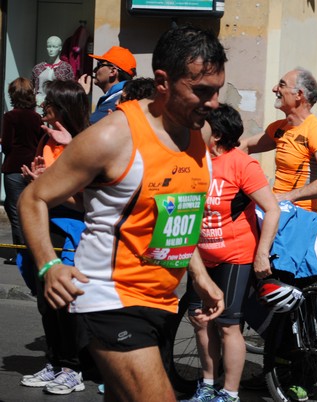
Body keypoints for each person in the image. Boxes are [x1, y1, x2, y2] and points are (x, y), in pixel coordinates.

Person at [18, 25, 227, 402]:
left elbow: (178, 214)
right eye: (202, 91)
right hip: (109, 297)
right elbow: (33, 198)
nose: (213, 102)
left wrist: (198, 276)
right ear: (162, 81)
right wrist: (49, 265)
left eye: (217, 91)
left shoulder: (201, 133)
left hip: (161, 300)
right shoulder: (112, 137)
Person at [184, 104, 280, 402]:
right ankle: (208, 386)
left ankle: (230, 393)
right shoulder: (193, 160)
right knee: (200, 320)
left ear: (217, 134)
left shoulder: (242, 165)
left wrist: (262, 253)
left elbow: (273, 210)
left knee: (227, 325)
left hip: (235, 256)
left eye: (203, 123)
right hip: (200, 257)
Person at [19, 79, 92, 395]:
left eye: (48, 106)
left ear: (63, 107)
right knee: (46, 304)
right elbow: (42, 193)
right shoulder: (46, 141)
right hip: (43, 231)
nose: (43, 112)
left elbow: (87, 202)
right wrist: (36, 183)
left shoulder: (83, 145)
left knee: (65, 305)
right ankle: (54, 362)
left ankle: (72, 368)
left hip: (71, 234)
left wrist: (48, 188)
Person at [239, 67, 317, 212]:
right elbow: (245, 147)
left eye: (282, 85)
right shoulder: (279, 128)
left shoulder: (315, 130)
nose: (275, 89)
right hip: (278, 213)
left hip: (300, 219)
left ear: (299, 94)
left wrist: (288, 196)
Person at [1, 78, 44, 268]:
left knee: (15, 210)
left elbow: (7, 145)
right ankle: (34, 249)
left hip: (13, 167)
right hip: (33, 167)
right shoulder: (37, 117)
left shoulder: (10, 117)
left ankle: (21, 252)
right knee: (33, 209)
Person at [78, 46, 137, 123]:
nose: (94, 70)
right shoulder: (125, 95)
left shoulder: (115, 101)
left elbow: (84, 130)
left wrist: (80, 97)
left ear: (113, 71)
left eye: (99, 65)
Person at [31, 36, 75, 111]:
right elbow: (32, 87)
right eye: (49, 46)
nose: (51, 50)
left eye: (54, 47)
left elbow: (70, 89)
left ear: (60, 48)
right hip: (39, 105)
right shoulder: (38, 68)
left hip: (57, 106)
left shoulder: (66, 68)